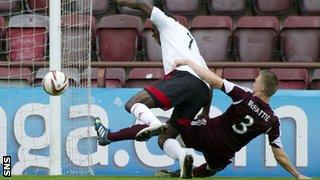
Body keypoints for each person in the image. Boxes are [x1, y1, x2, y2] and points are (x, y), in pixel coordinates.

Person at [95, 59, 310, 179]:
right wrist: (297, 175)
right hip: (224, 151)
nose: (253, 83)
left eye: (256, 81)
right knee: (212, 169)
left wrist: (190, 63)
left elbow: (213, 80)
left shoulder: (244, 96)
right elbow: (278, 152)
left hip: (205, 132)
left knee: (167, 135)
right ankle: (177, 174)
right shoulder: (272, 120)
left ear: (261, 87)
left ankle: (180, 157)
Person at [94, 0, 212, 178]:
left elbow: (142, 5)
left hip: (184, 78)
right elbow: (209, 79)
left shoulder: (169, 24)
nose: (154, 35)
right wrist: (206, 111)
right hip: (202, 90)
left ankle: (154, 123)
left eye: (153, 29)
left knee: (133, 104)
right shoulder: (189, 42)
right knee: (165, 138)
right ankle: (183, 156)